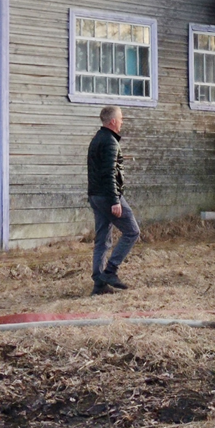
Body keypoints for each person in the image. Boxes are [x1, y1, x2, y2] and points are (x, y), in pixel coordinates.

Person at [87, 106, 141, 295]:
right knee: (132, 231)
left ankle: (99, 285)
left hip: (95, 195)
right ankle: (110, 271)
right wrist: (115, 200)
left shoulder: (96, 139)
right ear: (112, 122)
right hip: (107, 195)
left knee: (102, 239)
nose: (122, 121)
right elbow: (109, 173)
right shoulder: (110, 142)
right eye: (120, 118)